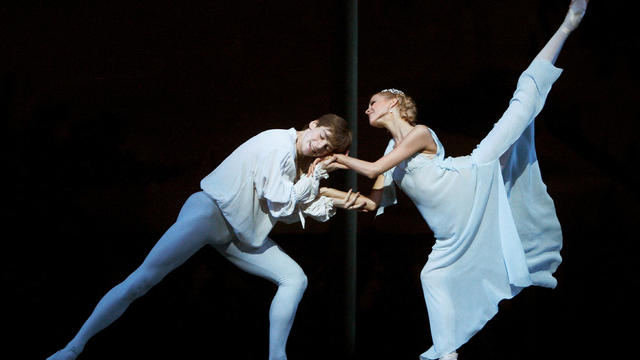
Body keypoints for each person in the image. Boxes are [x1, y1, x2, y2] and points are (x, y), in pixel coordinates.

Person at [320, 1, 589, 359]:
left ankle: (566, 26)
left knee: (521, 104)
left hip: (473, 177)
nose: (367, 108)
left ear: (394, 103)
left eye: (373, 101)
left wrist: (336, 158)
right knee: (431, 277)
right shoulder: (389, 152)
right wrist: (325, 193)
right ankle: (448, 354)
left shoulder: (418, 133)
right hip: (451, 234)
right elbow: (371, 201)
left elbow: (371, 168)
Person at [47, 113, 359, 360]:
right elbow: (280, 201)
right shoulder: (278, 143)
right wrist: (312, 181)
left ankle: (277, 356)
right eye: (321, 137)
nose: (320, 146)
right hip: (210, 213)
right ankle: (73, 347)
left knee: (295, 278)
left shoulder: (295, 163)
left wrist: (323, 198)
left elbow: (282, 210)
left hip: (239, 233)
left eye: (326, 147)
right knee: (142, 280)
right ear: (313, 124)